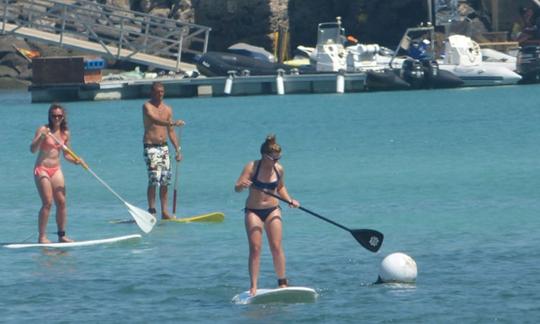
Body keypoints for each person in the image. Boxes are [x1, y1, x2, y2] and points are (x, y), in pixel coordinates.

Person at [235, 135, 300, 296]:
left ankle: (282, 282)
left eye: (279, 158)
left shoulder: (279, 169)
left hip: (273, 209)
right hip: (253, 211)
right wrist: (242, 185)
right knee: (256, 249)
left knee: (276, 247)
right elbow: (236, 187)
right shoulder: (252, 167)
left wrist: (289, 200)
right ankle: (254, 286)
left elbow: (281, 188)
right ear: (265, 156)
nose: (277, 161)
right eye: (274, 158)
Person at [30, 103, 85, 243]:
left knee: (61, 202)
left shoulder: (65, 133)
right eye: (54, 116)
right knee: (47, 203)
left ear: (63, 117)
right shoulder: (43, 129)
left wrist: (76, 161)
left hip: (56, 169)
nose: (56, 118)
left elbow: (66, 154)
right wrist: (41, 138)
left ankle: (62, 235)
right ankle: (42, 236)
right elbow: (32, 149)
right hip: (42, 168)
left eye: (59, 116)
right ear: (50, 116)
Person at [142, 81, 184, 219]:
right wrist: (172, 122)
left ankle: (164, 212)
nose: (160, 95)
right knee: (154, 178)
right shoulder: (147, 106)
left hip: (164, 147)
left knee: (165, 180)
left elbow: (171, 132)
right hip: (151, 146)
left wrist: (178, 149)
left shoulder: (168, 109)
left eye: (162, 92)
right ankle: (151, 210)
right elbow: (154, 120)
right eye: (157, 92)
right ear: (152, 92)